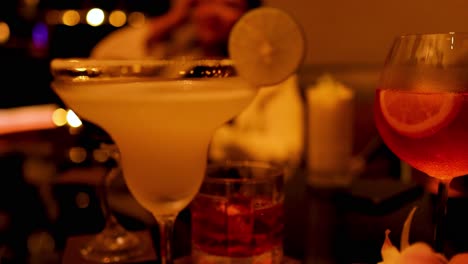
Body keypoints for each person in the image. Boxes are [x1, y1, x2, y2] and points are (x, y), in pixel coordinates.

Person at [91, 0, 262, 59]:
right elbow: (104, 56)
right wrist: (173, 18)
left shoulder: (264, 73)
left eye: (229, 5)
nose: (212, 12)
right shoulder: (175, 60)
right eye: (204, 2)